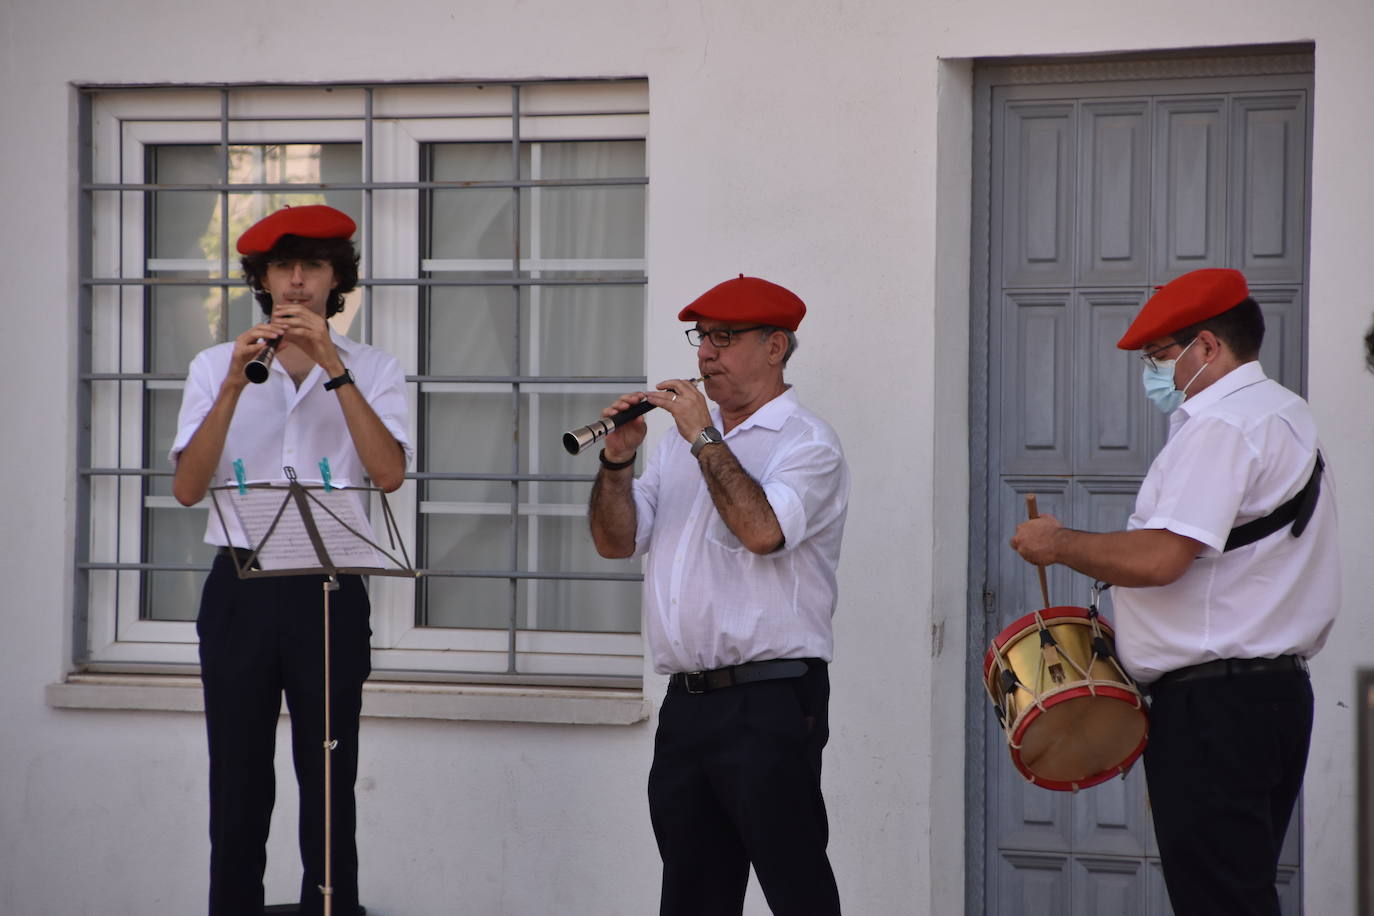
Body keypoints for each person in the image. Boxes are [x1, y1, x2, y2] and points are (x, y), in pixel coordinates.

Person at [1009, 268, 1339, 916]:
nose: (1154, 373)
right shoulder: (1286, 413)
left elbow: (1163, 558)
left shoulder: (1222, 426)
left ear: (1207, 347)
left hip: (1216, 707)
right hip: (1271, 695)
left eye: (1161, 356)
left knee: (1218, 900)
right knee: (1239, 891)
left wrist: (1060, 543)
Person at [170, 204, 410, 916]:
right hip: (240, 587)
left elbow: (389, 473)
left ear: (338, 279)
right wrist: (236, 386)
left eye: (312, 266)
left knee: (330, 774)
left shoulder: (375, 367)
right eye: (282, 267)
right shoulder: (217, 364)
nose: (297, 282)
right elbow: (187, 488)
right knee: (237, 777)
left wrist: (335, 368)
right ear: (262, 277)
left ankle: (330, 908)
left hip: (328, 592)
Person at [587, 276, 850, 916]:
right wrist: (617, 462)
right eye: (702, 337)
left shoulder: (806, 444)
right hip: (688, 706)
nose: (706, 354)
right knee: (692, 894)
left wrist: (705, 436)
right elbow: (615, 542)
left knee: (796, 890)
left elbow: (763, 532)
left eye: (725, 338)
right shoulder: (679, 450)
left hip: (770, 699)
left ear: (775, 347)